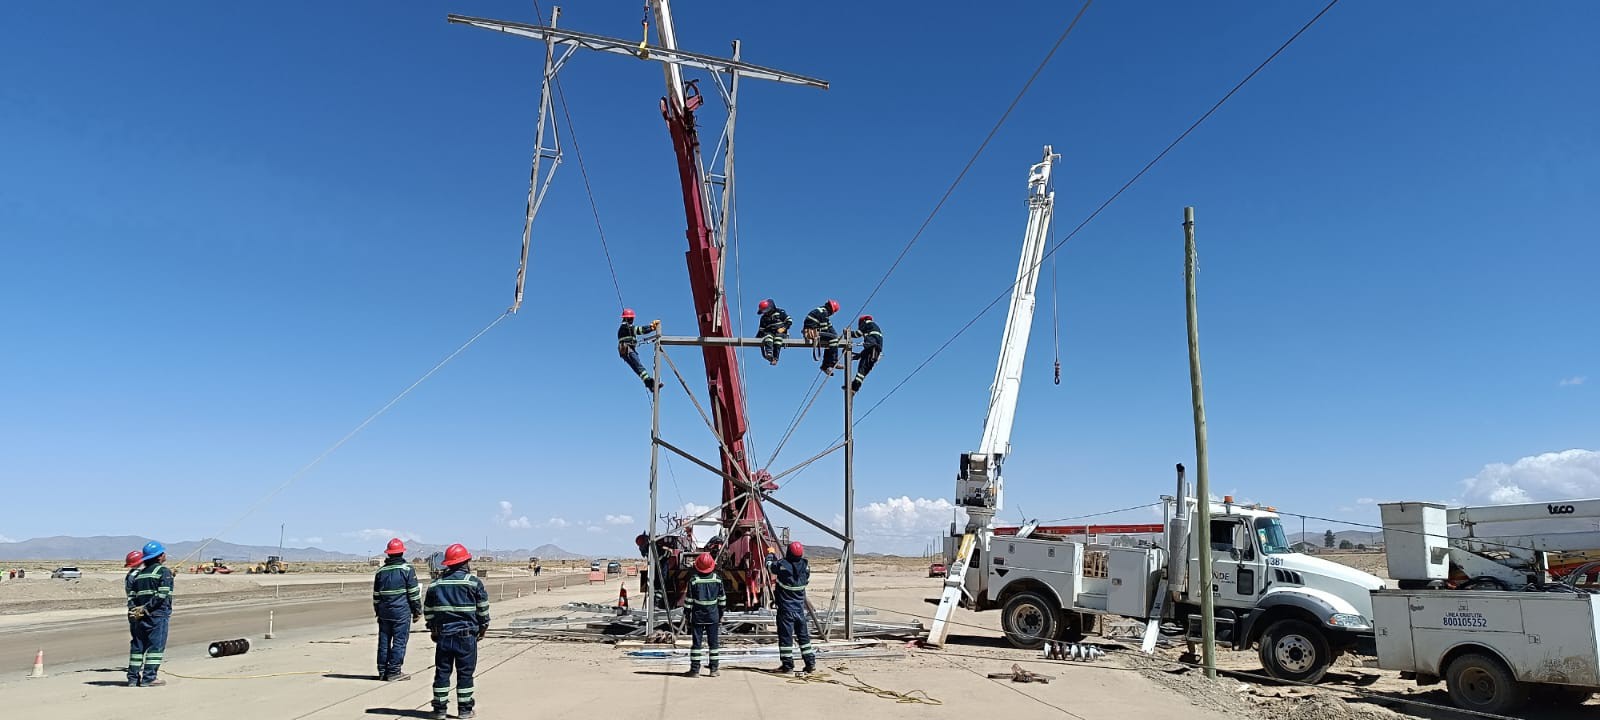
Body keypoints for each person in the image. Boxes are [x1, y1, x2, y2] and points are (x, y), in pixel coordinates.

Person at [424, 543, 490, 720]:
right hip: (466, 637)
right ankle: (465, 710)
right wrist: (483, 628)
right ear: (465, 562)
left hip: (444, 636)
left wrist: (433, 629)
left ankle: (439, 709)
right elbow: (482, 610)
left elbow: (429, 612)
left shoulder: (435, 585)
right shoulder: (474, 583)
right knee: (465, 674)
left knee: (442, 672)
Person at [373, 537, 422, 682]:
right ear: (401, 553)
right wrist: (417, 611)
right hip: (401, 612)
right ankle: (394, 671)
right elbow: (413, 593)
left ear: (389, 553)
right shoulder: (407, 570)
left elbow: (376, 596)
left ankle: (383, 671)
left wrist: (378, 611)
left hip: (384, 612)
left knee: (384, 641)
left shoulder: (380, 571)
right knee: (399, 641)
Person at [127, 540, 174, 687]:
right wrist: (147, 608)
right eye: (163, 553)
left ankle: (133, 679)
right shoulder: (163, 572)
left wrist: (136, 610)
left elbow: (132, 596)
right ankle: (149, 677)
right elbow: (162, 595)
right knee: (156, 646)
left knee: (138, 646)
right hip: (157, 615)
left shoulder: (139, 574)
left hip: (139, 617)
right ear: (159, 557)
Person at [766, 541, 814, 674]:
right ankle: (810, 663)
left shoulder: (782, 565)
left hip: (786, 609)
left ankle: (787, 666)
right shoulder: (805, 566)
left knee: (786, 637)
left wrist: (770, 554)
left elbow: (770, 567)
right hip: (799, 608)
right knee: (803, 637)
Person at [684, 553, 725, 677]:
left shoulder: (694, 580)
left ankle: (695, 670)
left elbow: (688, 601)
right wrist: (721, 614)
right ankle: (714, 669)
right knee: (714, 644)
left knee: (697, 644)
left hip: (698, 616)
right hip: (713, 616)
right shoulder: (717, 579)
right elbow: (722, 600)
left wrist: (687, 616)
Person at [617, 308, 661, 391]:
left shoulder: (622, 328)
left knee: (638, 369)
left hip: (626, 351)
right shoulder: (626, 327)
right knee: (639, 367)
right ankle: (650, 383)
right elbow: (640, 330)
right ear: (629, 318)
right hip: (628, 350)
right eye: (632, 318)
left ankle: (650, 384)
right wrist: (651, 327)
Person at [802, 300, 842, 375]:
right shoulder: (823, 313)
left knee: (832, 340)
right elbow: (825, 328)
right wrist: (835, 337)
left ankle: (825, 365)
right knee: (833, 340)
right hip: (813, 332)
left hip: (814, 331)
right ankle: (833, 361)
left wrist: (835, 335)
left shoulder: (822, 311)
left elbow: (830, 328)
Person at [849, 315, 883, 392]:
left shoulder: (867, 323)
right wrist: (859, 355)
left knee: (862, 369)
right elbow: (872, 346)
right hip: (875, 353)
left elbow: (857, 334)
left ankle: (853, 387)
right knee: (863, 371)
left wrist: (847, 333)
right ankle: (854, 388)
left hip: (871, 351)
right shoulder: (874, 327)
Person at [756, 299, 791, 366]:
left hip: (781, 333)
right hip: (770, 333)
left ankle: (775, 358)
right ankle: (769, 353)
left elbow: (789, 321)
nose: (766, 313)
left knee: (777, 340)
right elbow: (761, 329)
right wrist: (757, 338)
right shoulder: (763, 318)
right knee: (768, 337)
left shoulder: (780, 312)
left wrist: (783, 328)